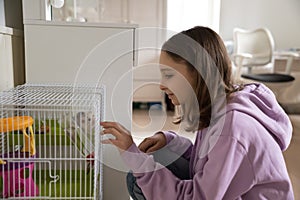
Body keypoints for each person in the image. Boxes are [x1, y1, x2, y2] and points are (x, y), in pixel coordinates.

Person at [101, 26, 294, 200]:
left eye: (168, 75)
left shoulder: (232, 128)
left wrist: (133, 156)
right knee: (156, 158)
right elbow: (208, 159)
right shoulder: (220, 107)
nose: (161, 85)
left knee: (139, 180)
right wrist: (170, 140)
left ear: (199, 73)